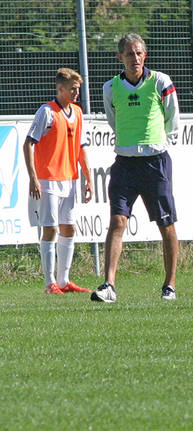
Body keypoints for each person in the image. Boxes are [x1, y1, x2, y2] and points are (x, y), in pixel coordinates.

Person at [91, 33, 180, 303]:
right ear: (120, 57)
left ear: (146, 55)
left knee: (166, 224)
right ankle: (109, 285)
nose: (135, 58)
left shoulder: (161, 82)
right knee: (117, 221)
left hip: (155, 162)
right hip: (124, 163)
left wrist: (154, 143)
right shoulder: (110, 88)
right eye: (130, 54)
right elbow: (113, 119)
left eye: (139, 53)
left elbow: (171, 118)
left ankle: (170, 285)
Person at [23, 68, 93, 295]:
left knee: (69, 228)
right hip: (48, 179)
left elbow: (81, 148)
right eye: (72, 89)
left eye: (78, 89)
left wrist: (88, 177)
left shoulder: (78, 113)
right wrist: (33, 177)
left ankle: (64, 280)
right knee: (50, 229)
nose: (76, 93)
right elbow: (28, 144)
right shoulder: (47, 112)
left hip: (70, 179)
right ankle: (49, 283)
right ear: (60, 89)